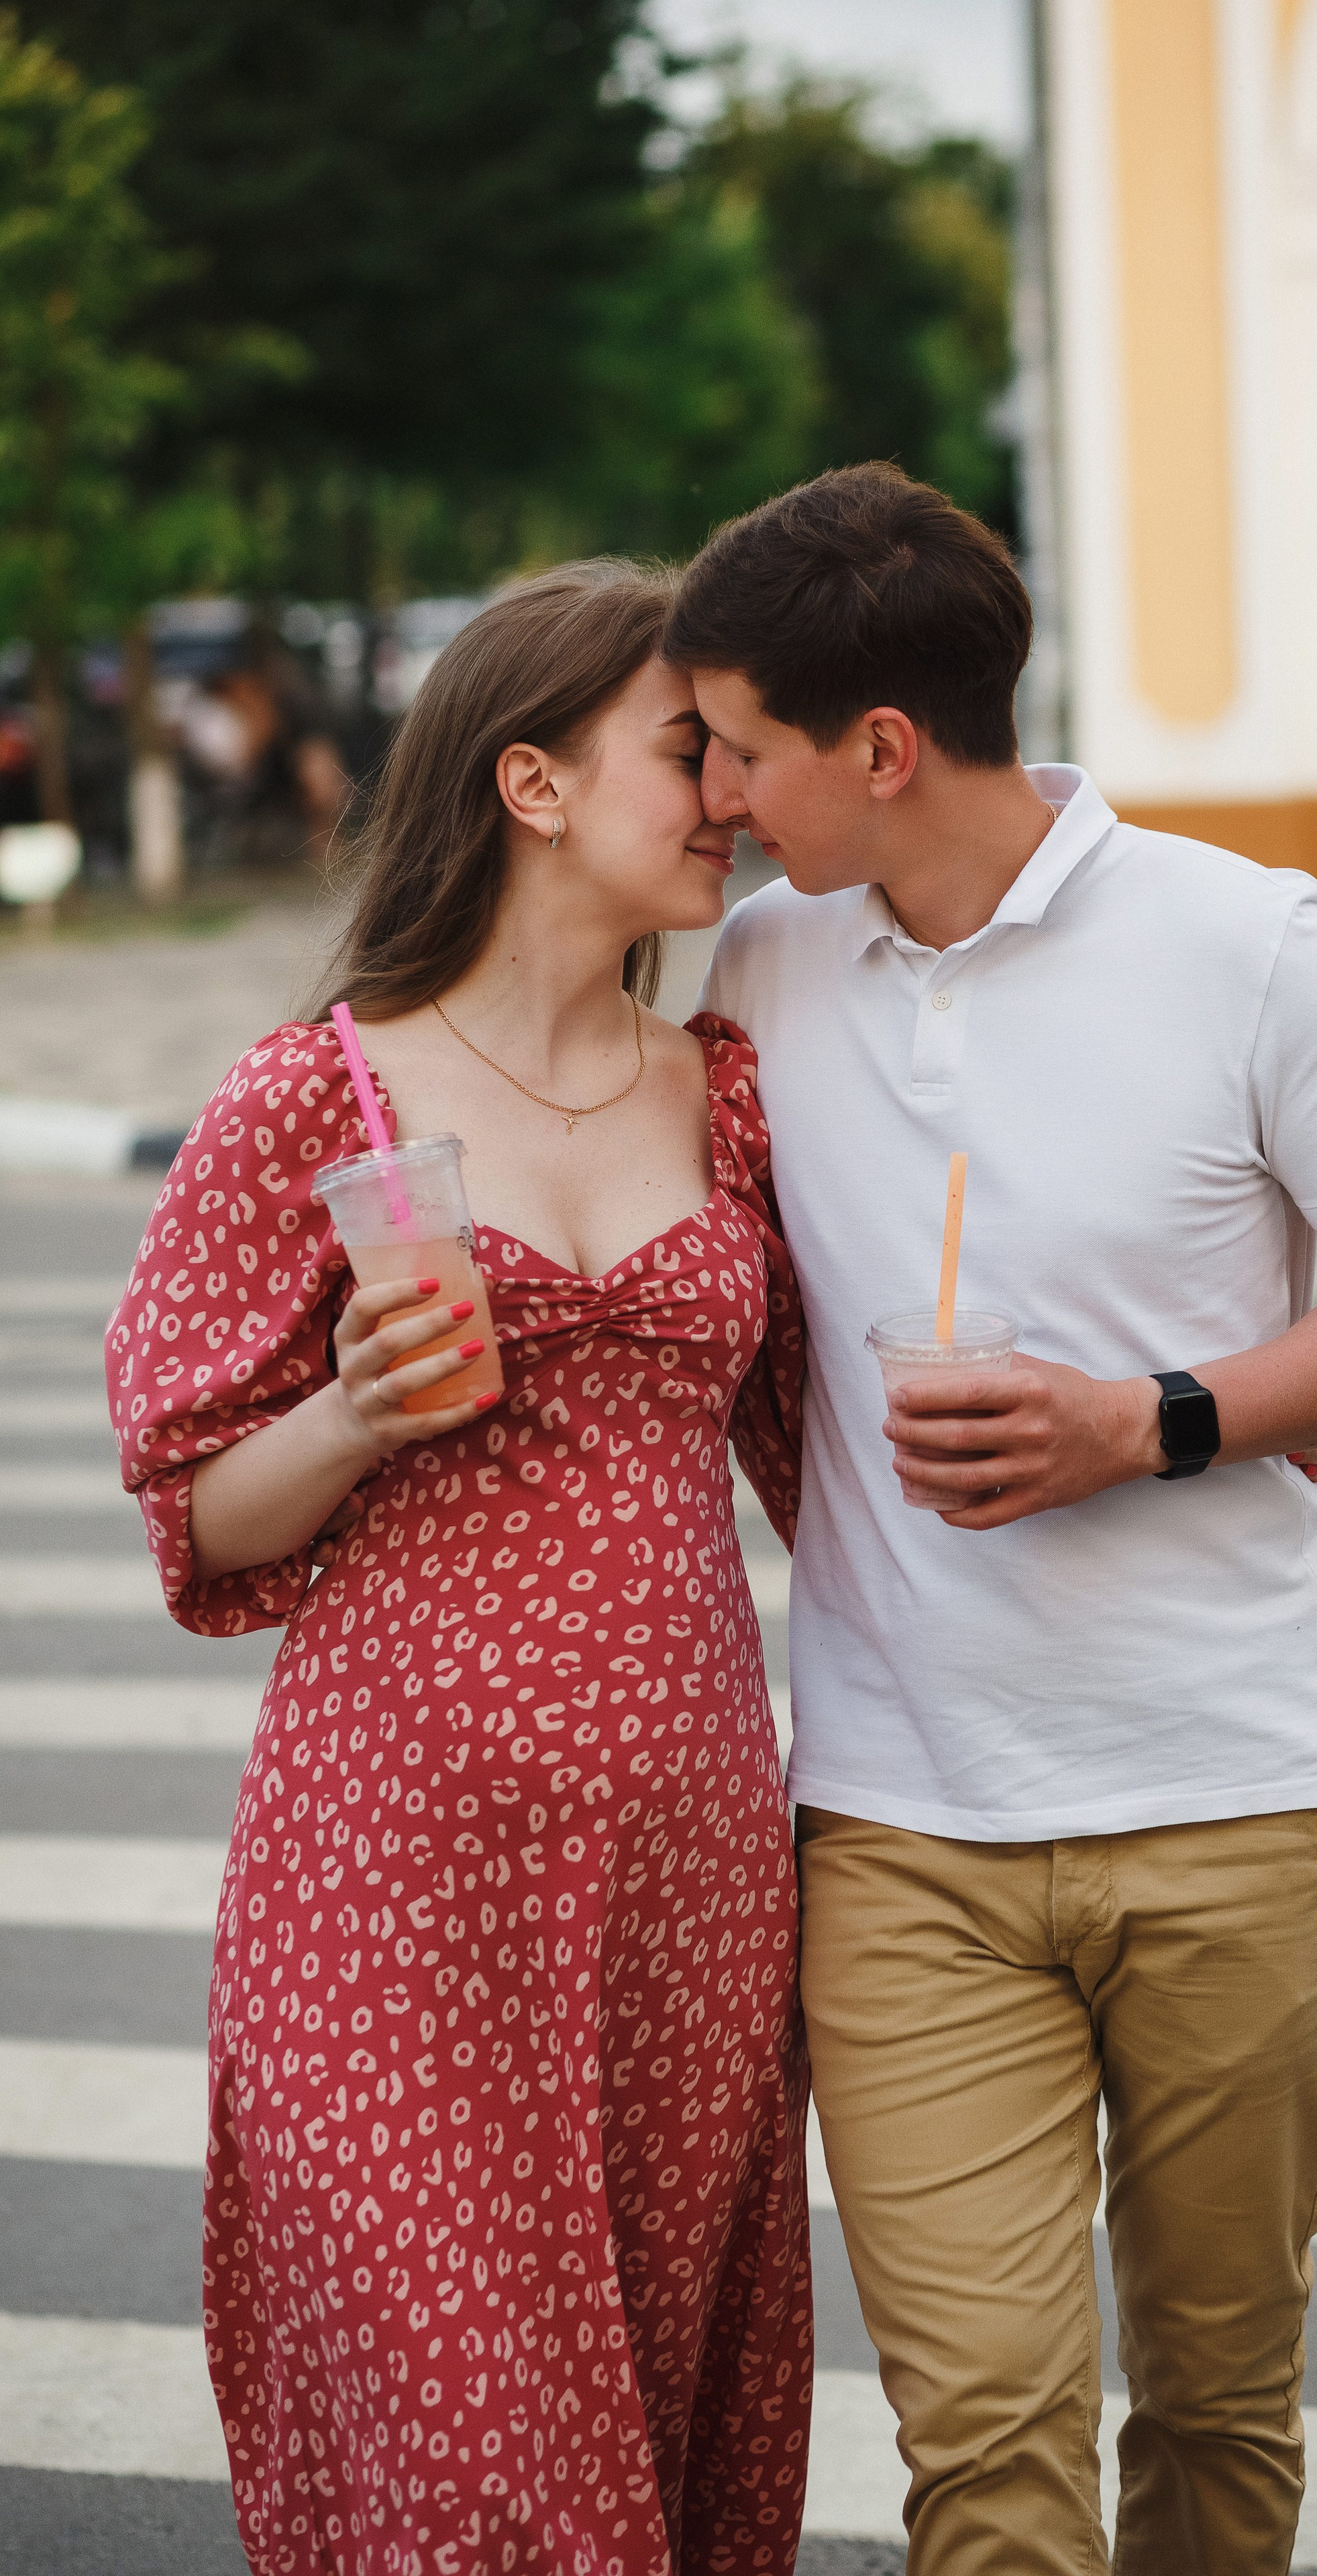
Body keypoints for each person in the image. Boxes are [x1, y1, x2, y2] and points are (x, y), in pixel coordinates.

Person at [663, 464, 1317, 2576]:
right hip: (905, 1833)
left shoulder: (1249, 942)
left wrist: (1155, 1420)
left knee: (1222, 2410)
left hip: (1241, 1804)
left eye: (740, 747)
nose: (711, 793)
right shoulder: (755, 969)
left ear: (881, 749)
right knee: (987, 2442)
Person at [106, 564, 811, 2576]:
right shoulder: (306, 1098)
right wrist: (347, 1416)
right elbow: (196, 1516)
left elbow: (826, 1468)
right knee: (484, 2470)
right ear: (528, 780)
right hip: (395, 1879)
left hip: (685, 1881)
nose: (729, 794)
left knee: (663, 2408)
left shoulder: (732, 1093)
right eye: (689, 752)